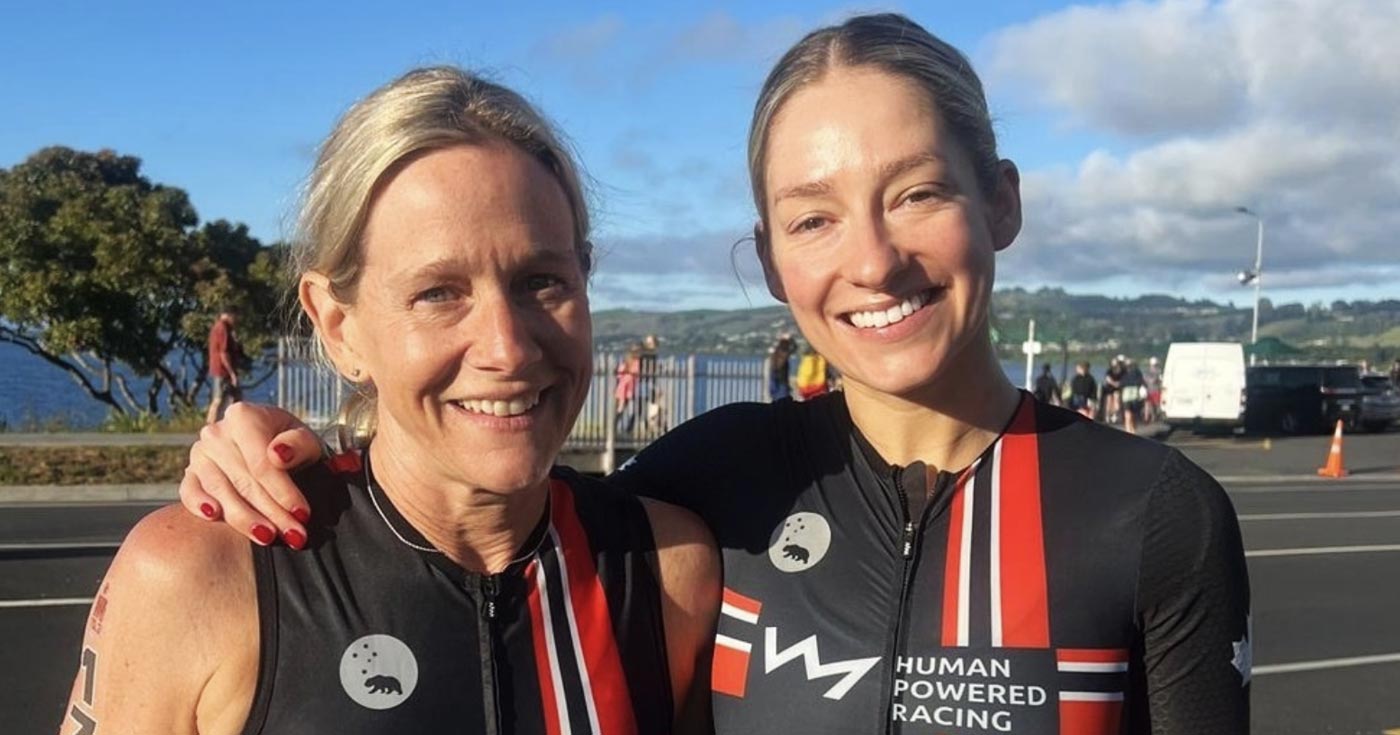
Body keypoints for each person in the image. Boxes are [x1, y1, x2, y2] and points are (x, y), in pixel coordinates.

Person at [173, 14, 1250, 734]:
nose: (870, 259)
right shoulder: (713, 484)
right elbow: (473, 488)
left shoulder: (1152, 515)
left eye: (917, 193)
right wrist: (275, 440)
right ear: (774, 257)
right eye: (813, 219)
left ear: (1000, 202)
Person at [61, 67, 719, 735]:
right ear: (338, 326)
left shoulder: (670, 570)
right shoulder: (199, 575)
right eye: (438, 292)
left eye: (542, 281)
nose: (508, 347)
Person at [206, 311, 243, 424]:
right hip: (222, 371)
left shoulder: (224, 328)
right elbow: (223, 353)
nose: (236, 320)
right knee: (219, 399)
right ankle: (210, 425)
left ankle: (232, 424)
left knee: (236, 398)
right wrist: (232, 373)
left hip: (223, 370)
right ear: (228, 315)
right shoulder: (222, 328)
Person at [615, 342, 642, 435]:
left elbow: (619, 374)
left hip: (626, 387)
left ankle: (624, 428)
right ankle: (625, 428)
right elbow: (636, 373)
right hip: (628, 387)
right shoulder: (634, 362)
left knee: (623, 408)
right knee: (625, 408)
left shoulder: (626, 362)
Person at [1120, 359, 1147, 435]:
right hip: (1134, 395)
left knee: (1128, 413)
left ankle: (1129, 430)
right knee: (1133, 414)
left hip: (1127, 395)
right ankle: (1131, 431)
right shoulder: (1137, 372)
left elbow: (1121, 384)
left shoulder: (1123, 373)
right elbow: (1141, 382)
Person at [767, 332, 797, 401]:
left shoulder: (776, 352)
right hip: (782, 377)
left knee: (775, 397)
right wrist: (791, 339)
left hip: (774, 374)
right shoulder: (784, 353)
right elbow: (795, 347)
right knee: (782, 399)